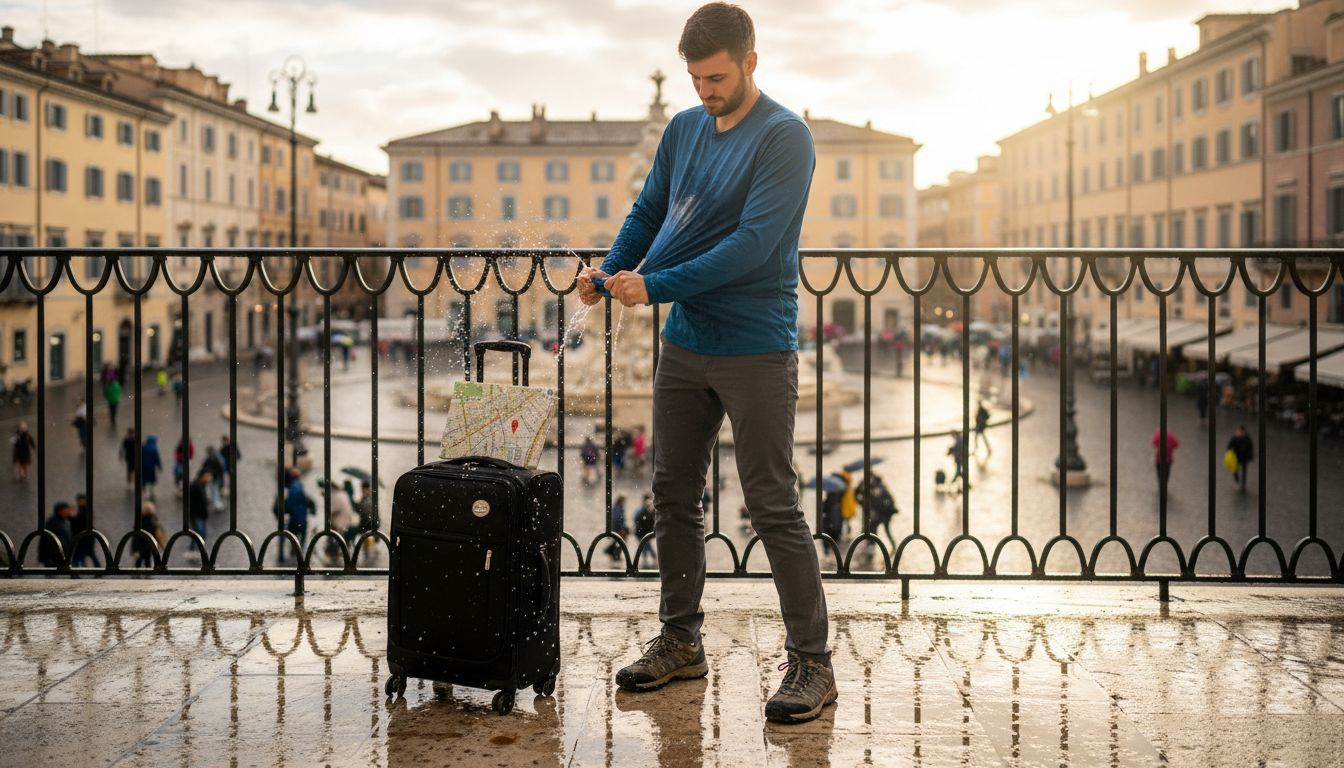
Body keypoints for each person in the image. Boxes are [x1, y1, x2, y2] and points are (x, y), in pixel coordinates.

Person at [578, 3, 833, 723]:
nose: (704, 91)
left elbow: (754, 244)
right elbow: (649, 207)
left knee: (772, 504)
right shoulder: (684, 127)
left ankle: (812, 662)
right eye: (695, 77)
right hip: (687, 344)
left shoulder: (786, 137)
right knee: (671, 495)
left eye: (716, 77)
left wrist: (653, 285)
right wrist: (609, 271)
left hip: (757, 342)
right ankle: (681, 642)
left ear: (751, 62)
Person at [280, 468, 311, 564]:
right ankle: (300, 556)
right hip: (302, 518)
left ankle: (284, 555)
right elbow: (306, 501)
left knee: (286, 535)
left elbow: (289, 505)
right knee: (301, 536)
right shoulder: (300, 487)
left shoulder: (292, 488)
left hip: (294, 519)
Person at [38, 501, 76, 568]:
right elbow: (48, 541)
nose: (68, 512)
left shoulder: (63, 521)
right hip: (54, 557)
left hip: (61, 555)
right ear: (60, 511)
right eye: (66, 510)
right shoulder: (53, 522)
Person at [70, 493, 100, 568]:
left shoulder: (85, 510)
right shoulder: (82, 509)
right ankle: (83, 568)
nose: (79, 502)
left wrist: (70, 517)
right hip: (84, 536)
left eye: (81, 500)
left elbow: (81, 523)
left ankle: (77, 570)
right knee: (86, 554)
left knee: (82, 554)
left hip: (85, 537)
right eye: (79, 500)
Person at [132, 502, 164, 569]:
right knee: (147, 561)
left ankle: (137, 574)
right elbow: (157, 534)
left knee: (138, 562)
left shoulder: (139, 521)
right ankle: (148, 574)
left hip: (140, 546)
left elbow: (135, 538)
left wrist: (134, 550)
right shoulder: (154, 521)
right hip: (149, 546)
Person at [189, 470, 213, 555]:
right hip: (196, 514)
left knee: (202, 534)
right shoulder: (195, 486)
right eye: (207, 476)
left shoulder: (203, 486)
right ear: (201, 476)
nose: (209, 478)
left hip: (202, 513)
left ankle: (198, 550)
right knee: (198, 532)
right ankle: (193, 550)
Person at [1153, 428, 1179, 503]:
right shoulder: (1171, 436)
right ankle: (1165, 484)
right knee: (1167, 472)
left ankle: (1160, 484)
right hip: (1168, 459)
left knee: (1159, 472)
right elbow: (1176, 444)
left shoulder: (1158, 435)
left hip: (1159, 459)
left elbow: (1154, 443)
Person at [1227, 425, 1254, 493]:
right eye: (1239, 431)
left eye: (1242, 431)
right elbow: (1229, 446)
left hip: (1244, 458)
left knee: (1244, 471)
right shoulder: (1235, 438)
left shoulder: (1247, 439)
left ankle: (1243, 484)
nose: (1240, 433)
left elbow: (1250, 449)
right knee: (1235, 469)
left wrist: (1249, 456)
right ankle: (1237, 478)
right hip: (1237, 457)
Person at [633, 494, 656, 568]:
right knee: (646, 546)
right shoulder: (643, 511)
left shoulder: (644, 511)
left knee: (645, 546)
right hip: (642, 533)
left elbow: (637, 520)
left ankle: (647, 561)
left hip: (642, 533)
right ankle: (650, 560)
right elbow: (639, 521)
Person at [605, 494, 630, 561]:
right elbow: (617, 520)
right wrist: (621, 529)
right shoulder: (618, 508)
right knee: (620, 541)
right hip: (618, 528)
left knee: (619, 541)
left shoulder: (618, 507)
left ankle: (613, 553)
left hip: (618, 527)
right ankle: (615, 554)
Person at [140, 435, 163, 499]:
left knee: (144, 479)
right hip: (151, 467)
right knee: (152, 479)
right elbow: (157, 458)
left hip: (143, 466)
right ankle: (152, 491)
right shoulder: (154, 448)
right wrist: (159, 466)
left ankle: (144, 492)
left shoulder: (143, 447)